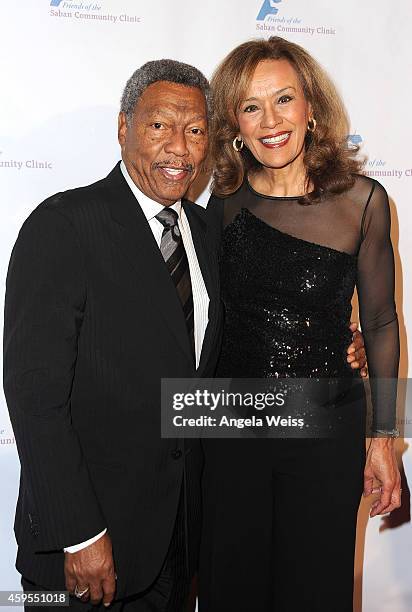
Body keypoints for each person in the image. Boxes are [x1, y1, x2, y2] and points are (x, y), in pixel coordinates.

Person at [3, 59, 223, 612]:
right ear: (123, 127)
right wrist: (79, 533)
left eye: (195, 130)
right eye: (159, 126)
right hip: (87, 550)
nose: (179, 147)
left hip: (177, 543)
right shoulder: (63, 225)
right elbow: (35, 397)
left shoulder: (205, 232)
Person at [199, 37, 401, 612]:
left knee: (315, 589)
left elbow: (383, 322)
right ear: (234, 122)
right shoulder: (223, 202)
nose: (271, 122)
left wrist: (385, 439)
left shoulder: (363, 201)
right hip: (231, 429)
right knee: (232, 589)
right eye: (251, 106)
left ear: (311, 107)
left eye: (284, 99)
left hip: (326, 429)